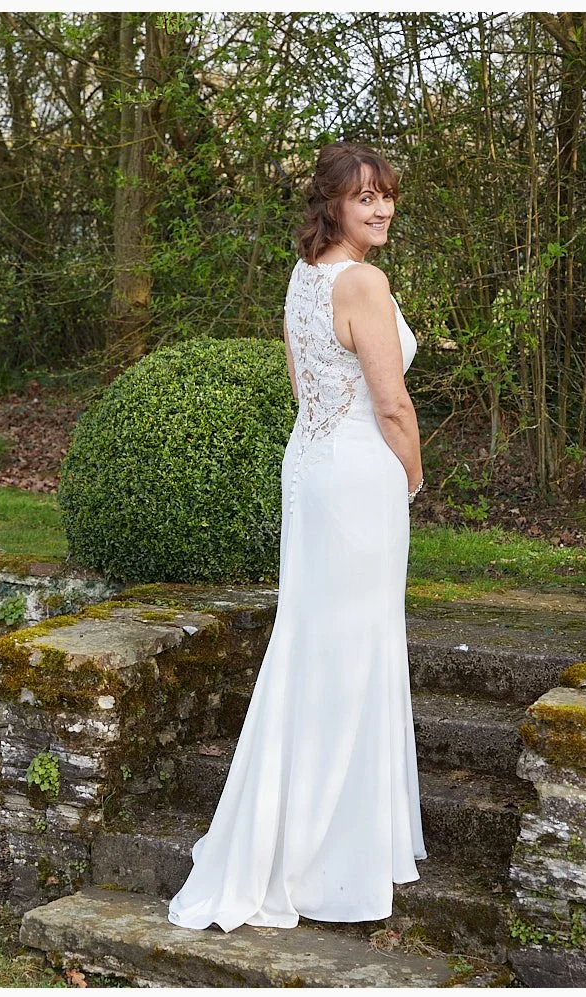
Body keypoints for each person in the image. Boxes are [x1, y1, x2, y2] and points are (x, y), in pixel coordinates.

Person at [167, 140, 427, 933]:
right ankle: (330, 857)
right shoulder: (362, 282)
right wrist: (412, 478)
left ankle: (304, 834)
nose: (380, 208)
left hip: (312, 464)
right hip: (358, 471)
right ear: (333, 205)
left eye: (386, 194)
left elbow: (302, 384)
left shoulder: (303, 275)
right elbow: (391, 404)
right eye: (364, 197)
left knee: (317, 641)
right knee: (352, 648)